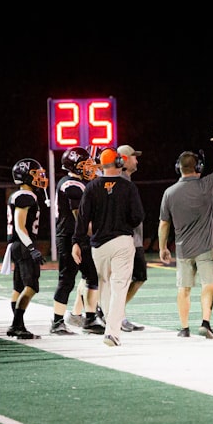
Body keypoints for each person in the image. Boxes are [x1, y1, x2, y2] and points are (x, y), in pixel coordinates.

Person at [158, 125, 213, 338]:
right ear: (197, 167)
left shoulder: (169, 193)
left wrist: (163, 247)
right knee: (208, 284)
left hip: (182, 248)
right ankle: (205, 322)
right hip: (206, 246)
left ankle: (184, 327)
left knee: (184, 288)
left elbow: (164, 223)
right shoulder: (205, 186)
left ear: (178, 168)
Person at [71, 147, 144, 347]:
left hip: (99, 244)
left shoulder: (92, 187)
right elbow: (138, 217)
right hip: (121, 241)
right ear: (119, 163)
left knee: (104, 284)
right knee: (119, 286)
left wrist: (76, 242)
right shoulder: (128, 188)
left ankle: (109, 327)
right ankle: (112, 332)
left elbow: (82, 219)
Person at [48, 146, 100, 335]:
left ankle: (90, 318)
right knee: (67, 279)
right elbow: (80, 217)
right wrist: (98, 232)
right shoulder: (71, 185)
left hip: (81, 237)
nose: (89, 168)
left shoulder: (80, 183)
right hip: (70, 237)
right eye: (85, 164)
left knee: (92, 276)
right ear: (74, 166)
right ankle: (57, 321)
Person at [4, 158, 49, 339]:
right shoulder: (25, 196)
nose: (39, 177)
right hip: (23, 244)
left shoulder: (21, 195)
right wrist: (31, 247)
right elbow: (20, 226)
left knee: (18, 287)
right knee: (31, 287)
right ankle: (16, 324)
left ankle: (18, 324)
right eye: (35, 174)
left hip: (17, 245)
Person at [117, 145, 147, 333]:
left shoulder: (125, 180)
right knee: (127, 279)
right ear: (125, 159)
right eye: (134, 157)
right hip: (128, 240)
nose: (137, 160)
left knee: (137, 277)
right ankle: (115, 313)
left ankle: (115, 312)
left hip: (132, 240)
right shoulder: (121, 182)